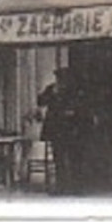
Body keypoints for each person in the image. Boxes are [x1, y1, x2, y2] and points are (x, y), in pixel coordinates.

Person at [37, 66, 83, 195]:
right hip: (55, 130)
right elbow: (40, 101)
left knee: (73, 158)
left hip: (70, 130)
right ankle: (61, 187)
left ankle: (75, 187)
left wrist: (72, 112)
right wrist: (52, 93)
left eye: (64, 78)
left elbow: (78, 106)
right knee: (59, 159)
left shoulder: (73, 91)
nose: (62, 81)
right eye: (59, 78)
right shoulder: (52, 89)